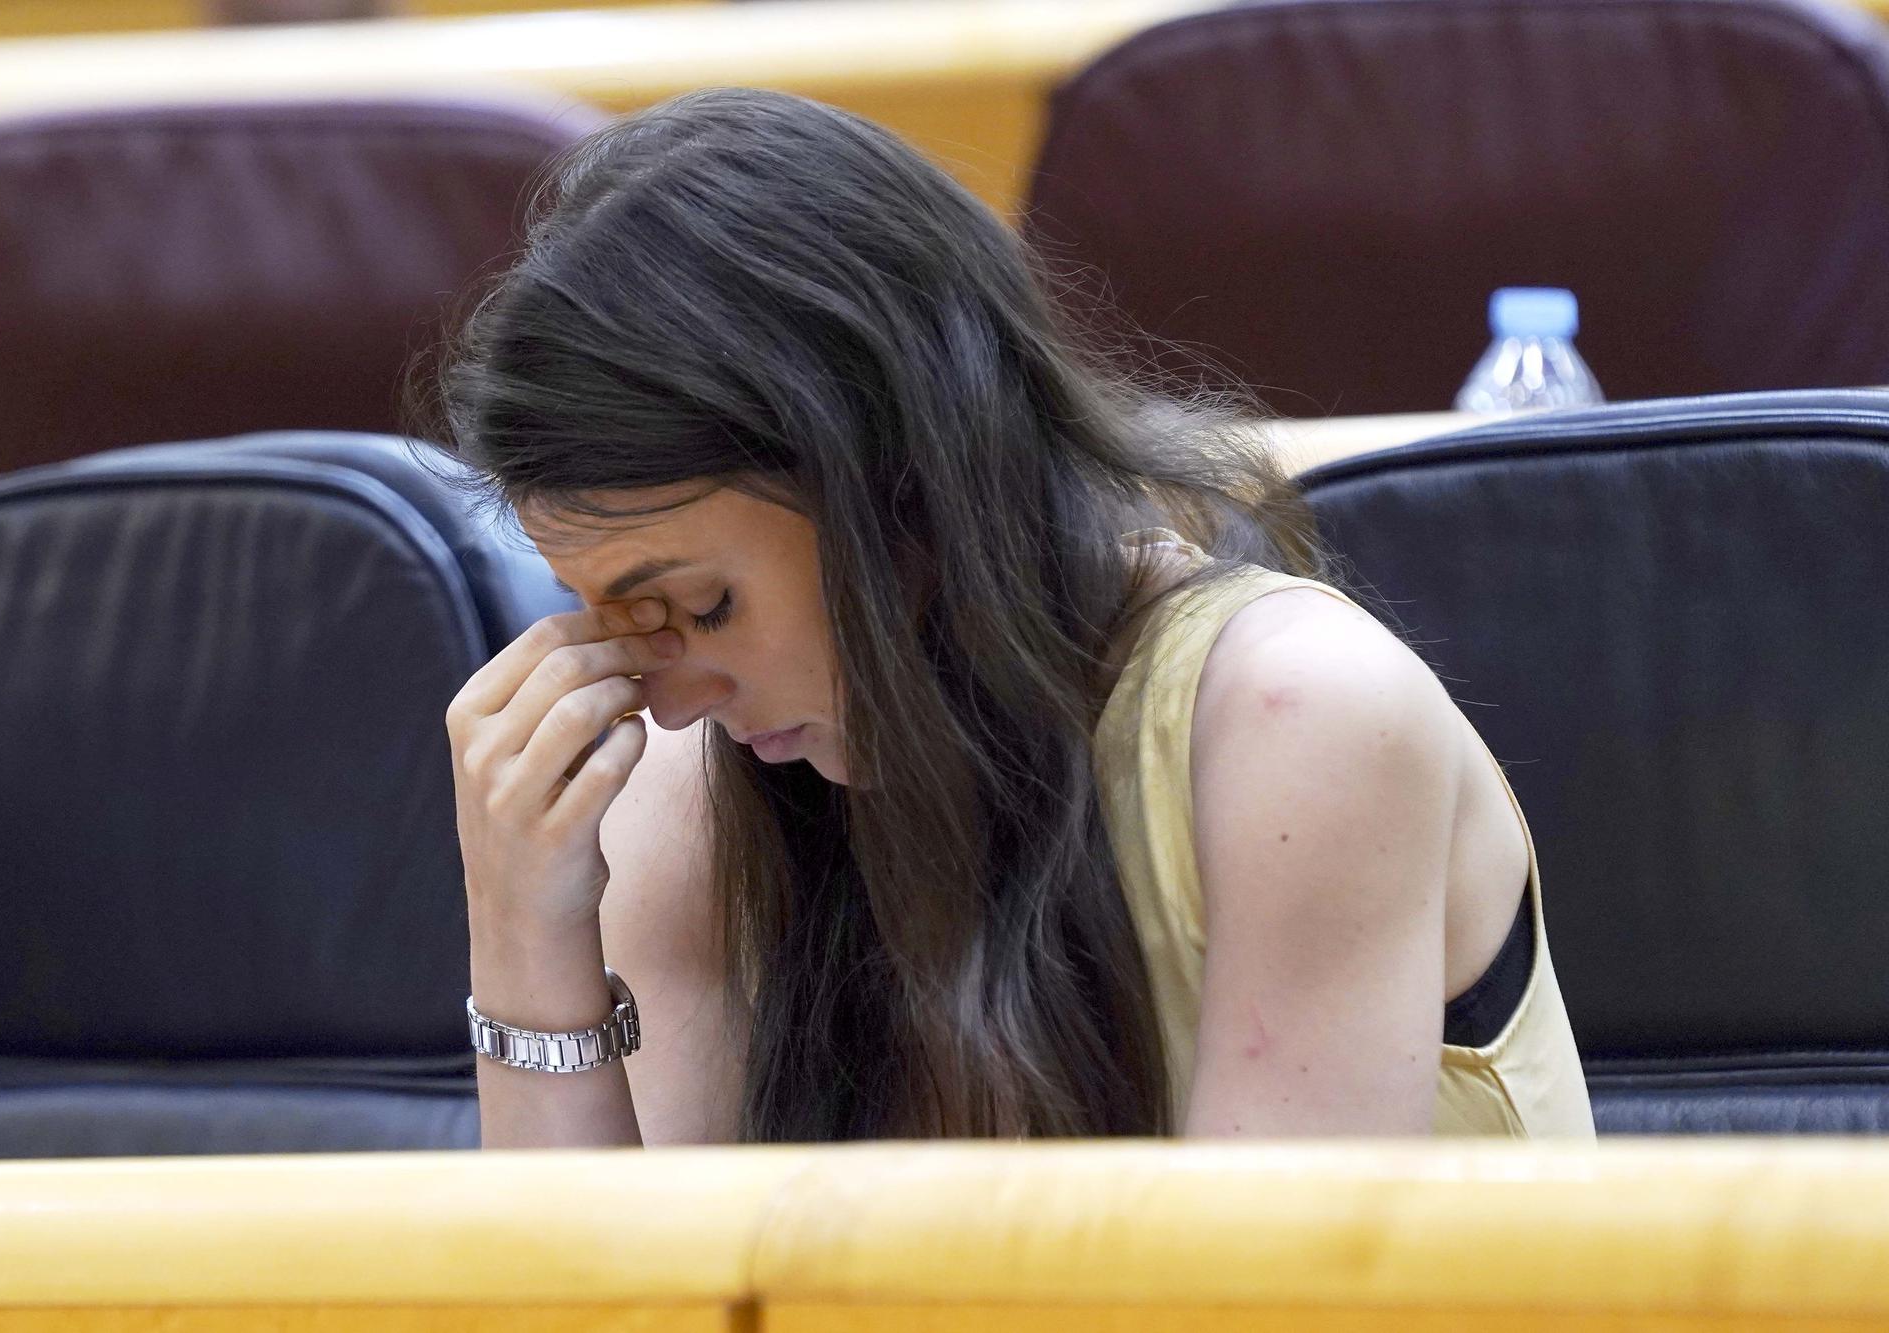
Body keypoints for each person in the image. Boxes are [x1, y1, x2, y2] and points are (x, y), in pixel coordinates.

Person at [433, 87, 1596, 1146]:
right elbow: (612, 1301)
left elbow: (1263, 1306)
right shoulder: (690, 797)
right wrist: (523, 935)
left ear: (910, 487)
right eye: (617, 627)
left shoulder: (1299, 720)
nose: (671, 700)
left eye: (700, 606)